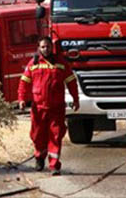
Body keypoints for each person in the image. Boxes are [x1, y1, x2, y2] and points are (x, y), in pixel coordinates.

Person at [17, 36, 79, 175]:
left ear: (52, 47)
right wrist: (21, 99)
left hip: (56, 108)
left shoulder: (61, 63)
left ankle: (54, 165)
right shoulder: (33, 63)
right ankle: (39, 157)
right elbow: (24, 82)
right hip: (38, 108)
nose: (46, 49)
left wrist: (76, 99)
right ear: (39, 48)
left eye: (48, 46)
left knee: (55, 136)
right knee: (37, 135)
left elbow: (71, 82)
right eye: (43, 47)